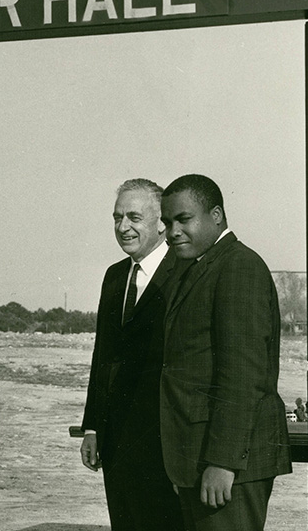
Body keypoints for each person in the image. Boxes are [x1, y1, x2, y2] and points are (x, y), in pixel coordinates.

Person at [159, 174, 292, 531]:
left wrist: (223, 462)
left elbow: (243, 376)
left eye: (183, 219)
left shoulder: (238, 267)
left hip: (228, 465)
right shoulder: (200, 267)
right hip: (199, 459)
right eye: (167, 222)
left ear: (216, 215)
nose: (172, 232)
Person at [80, 178, 186, 531]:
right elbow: (103, 356)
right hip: (117, 441)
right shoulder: (115, 277)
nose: (123, 227)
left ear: (161, 223)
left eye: (134, 218)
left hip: (166, 442)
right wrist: (93, 427)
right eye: (117, 217)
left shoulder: (185, 271)